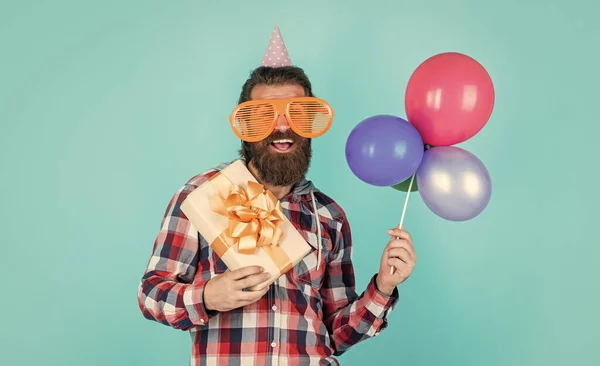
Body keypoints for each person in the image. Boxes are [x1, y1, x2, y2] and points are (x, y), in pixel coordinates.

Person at [137, 26, 417, 366]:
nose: (282, 126)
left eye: (296, 114)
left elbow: (337, 334)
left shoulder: (330, 216)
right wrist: (209, 296)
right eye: (264, 116)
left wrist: (383, 287)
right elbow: (151, 294)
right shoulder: (203, 194)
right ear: (245, 129)